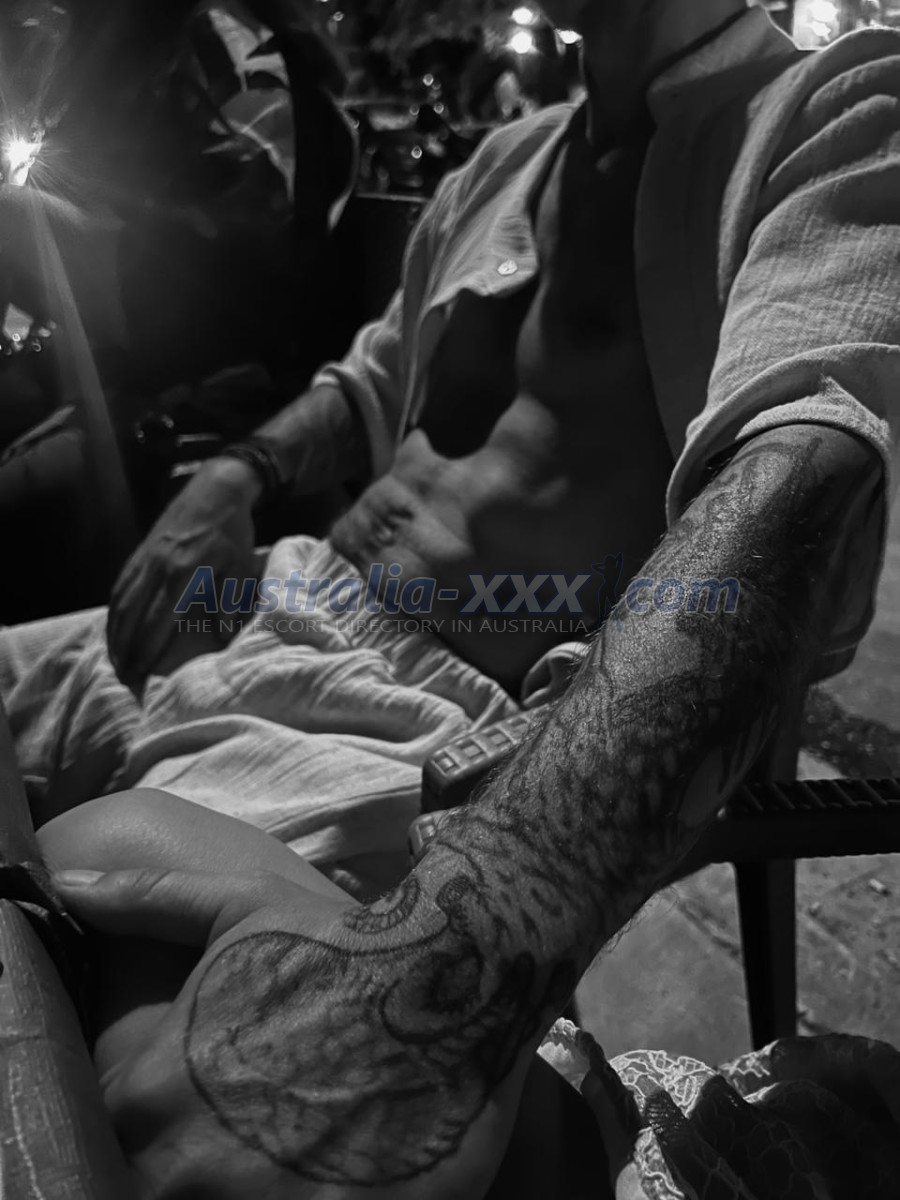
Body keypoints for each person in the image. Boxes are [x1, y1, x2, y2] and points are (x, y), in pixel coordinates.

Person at [2, 0, 899, 1192]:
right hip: (277, 592)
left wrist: (465, 948)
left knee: (122, 1102)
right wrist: (235, 475)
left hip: (407, 714)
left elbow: (803, 490)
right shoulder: (507, 157)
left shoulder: (830, 109)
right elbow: (372, 383)